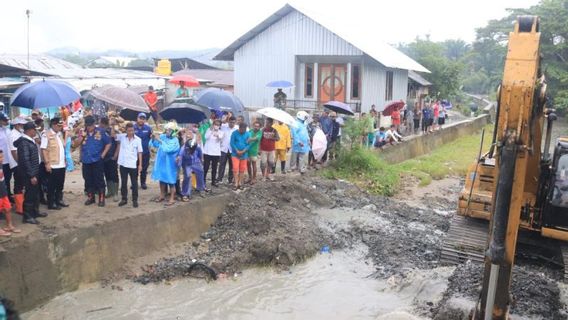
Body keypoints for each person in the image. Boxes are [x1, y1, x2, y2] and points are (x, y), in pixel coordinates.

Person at [75, 115, 111, 207]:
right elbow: (76, 144)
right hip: (86, 160)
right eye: (87, 125)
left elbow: (108, 143)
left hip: (97, 160)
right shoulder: (82, 132)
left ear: (94, 124)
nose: (89, 127)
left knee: (99, 180)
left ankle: (101, 198)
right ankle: (91, 197)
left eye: (90, 125)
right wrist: (81, 137)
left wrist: (103, 154)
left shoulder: (101, 131)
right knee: (88, 180)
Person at [15, 122, 47, 224]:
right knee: (29, 194)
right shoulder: (24, 143)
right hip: (29, 173)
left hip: (34, 171)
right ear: (29, 131)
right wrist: (32, 175)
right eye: (34, 130)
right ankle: (27, 216)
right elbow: (25, 160)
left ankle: (34, 211)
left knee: (35, 193)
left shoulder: (29, 141)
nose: (36, 132)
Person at [40, 117, 69, 210]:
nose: (60, 127)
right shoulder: (46, 135)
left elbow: (63, 147)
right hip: (53, 165)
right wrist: (47, 163)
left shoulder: (59, 134)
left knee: (60, 184)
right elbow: (43, 149)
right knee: (52, 185)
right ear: (53, 125)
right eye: (58, 125)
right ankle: (51, 203)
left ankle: (58, 200)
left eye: (61, 125)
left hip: (61, 164)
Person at [151, 122, 180, 206]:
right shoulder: (163, 137)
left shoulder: (175, 141)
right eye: (166, 129)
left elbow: (168, 149)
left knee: (171, 181)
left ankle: (172, 198)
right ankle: (162, 195)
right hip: (162, 163)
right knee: (162, 179)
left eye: (169, 130)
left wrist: (159, 140)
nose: (167, 131)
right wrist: (153, 138)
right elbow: (155, 144)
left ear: (174, 131)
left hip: (170, 165)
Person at [116, 122, 143, 208]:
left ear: (134, 130)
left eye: (132, 130)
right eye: (129, 131)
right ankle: (124, 199)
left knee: (134, 183)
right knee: (123, 182)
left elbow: (140, 153)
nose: (131, 132)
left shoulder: (138, 140)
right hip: (123, 163)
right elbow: (113, 135)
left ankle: (135, 200)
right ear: (126, 131)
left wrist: (140, 165)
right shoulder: (122, 137)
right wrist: (113, 125)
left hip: (133, 164)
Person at [179, 132, 206, 201]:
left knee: (200, 173)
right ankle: (185, 193)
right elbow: (180, 159)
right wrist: (179, 166)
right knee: (187, 176)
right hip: (186, 164)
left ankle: (200, 188)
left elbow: (200, 154)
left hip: (196, 162)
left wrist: (201, 161)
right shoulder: (183, 149)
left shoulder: (197, 146)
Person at [10, 116, 28, 215]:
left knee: (21, 184)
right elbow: (13, 151)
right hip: (17, 164)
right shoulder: (13, 135)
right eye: (22, 124)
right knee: (19, 185)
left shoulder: (19, 133)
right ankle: (19, 207)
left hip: (20, 163)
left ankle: (21, 205)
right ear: (17, 125)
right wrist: (20, 163)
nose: (23, 126)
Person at [98, 117, 119, 202]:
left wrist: (116, 155)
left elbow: (118, 144)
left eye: (100, 123)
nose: (99, 124)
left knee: (114, 175)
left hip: (112, 156)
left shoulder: (113, 131)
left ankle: (115, 193)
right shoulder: (100, 132)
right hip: (104, 157)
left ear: (103, 123)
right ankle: (110, 191)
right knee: (107, 175)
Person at [0, 150, 20, 236]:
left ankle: (9, 225)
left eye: (2, 156)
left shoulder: (1, 165)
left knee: (8, 209)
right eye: (0, 157)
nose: (2, 159)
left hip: (3, 192)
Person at [203, 119, 224, 188]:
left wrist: (217, 135)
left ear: (220, 126)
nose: (216, 126)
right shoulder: (209, 130)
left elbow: (220, 140)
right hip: (207, 152)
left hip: (216, 153)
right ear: (213, 124)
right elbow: (206, 137)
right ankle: (203, 181)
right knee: (206, 167)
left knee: (214, 168)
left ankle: (213, 181)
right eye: (215, 124)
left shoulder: (221, 132)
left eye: (218, 125)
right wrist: (211, 131)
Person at [134, 113, 152, 190]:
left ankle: (143, 183)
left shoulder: (148, 128)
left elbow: (151, 138)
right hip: (134, 152)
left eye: (143, 118)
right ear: (137, 118)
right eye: (140, 118)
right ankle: (134, 183)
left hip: (145, 152)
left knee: (144, 168)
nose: (141, 120)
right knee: (134, 168)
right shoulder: (133, 128)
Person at [230, 123, 251, 190]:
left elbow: (249, 144)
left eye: (244, 130)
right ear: (239, 128)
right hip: (235, 154)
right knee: (235, 169)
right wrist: (237, 151)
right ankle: (236, 183)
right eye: (242, 129)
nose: (243, 131)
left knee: (242, 169)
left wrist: (243, 151)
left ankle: (240, 183)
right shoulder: (234, 133)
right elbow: (232, 143)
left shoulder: (248, 134)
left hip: (244, 154)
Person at [218, 116, 237, 184]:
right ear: (228, 121)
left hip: (233, 150)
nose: (232, 124)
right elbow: (217, 123)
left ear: (235, 122)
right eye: (230, 122)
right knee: (222, 164)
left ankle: (230, 179)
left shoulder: (237, 129)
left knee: (232, 165)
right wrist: (223, 120)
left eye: (233, 122)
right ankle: (219, 179)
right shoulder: (223, 127)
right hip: (224, 148)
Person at [0, 113, 13, 202]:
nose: (7, 122)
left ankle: (8, 195)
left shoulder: (7, 130)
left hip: (9, 160)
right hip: (1, 161)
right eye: (5, 120)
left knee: (7, 179)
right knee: (2, 181)